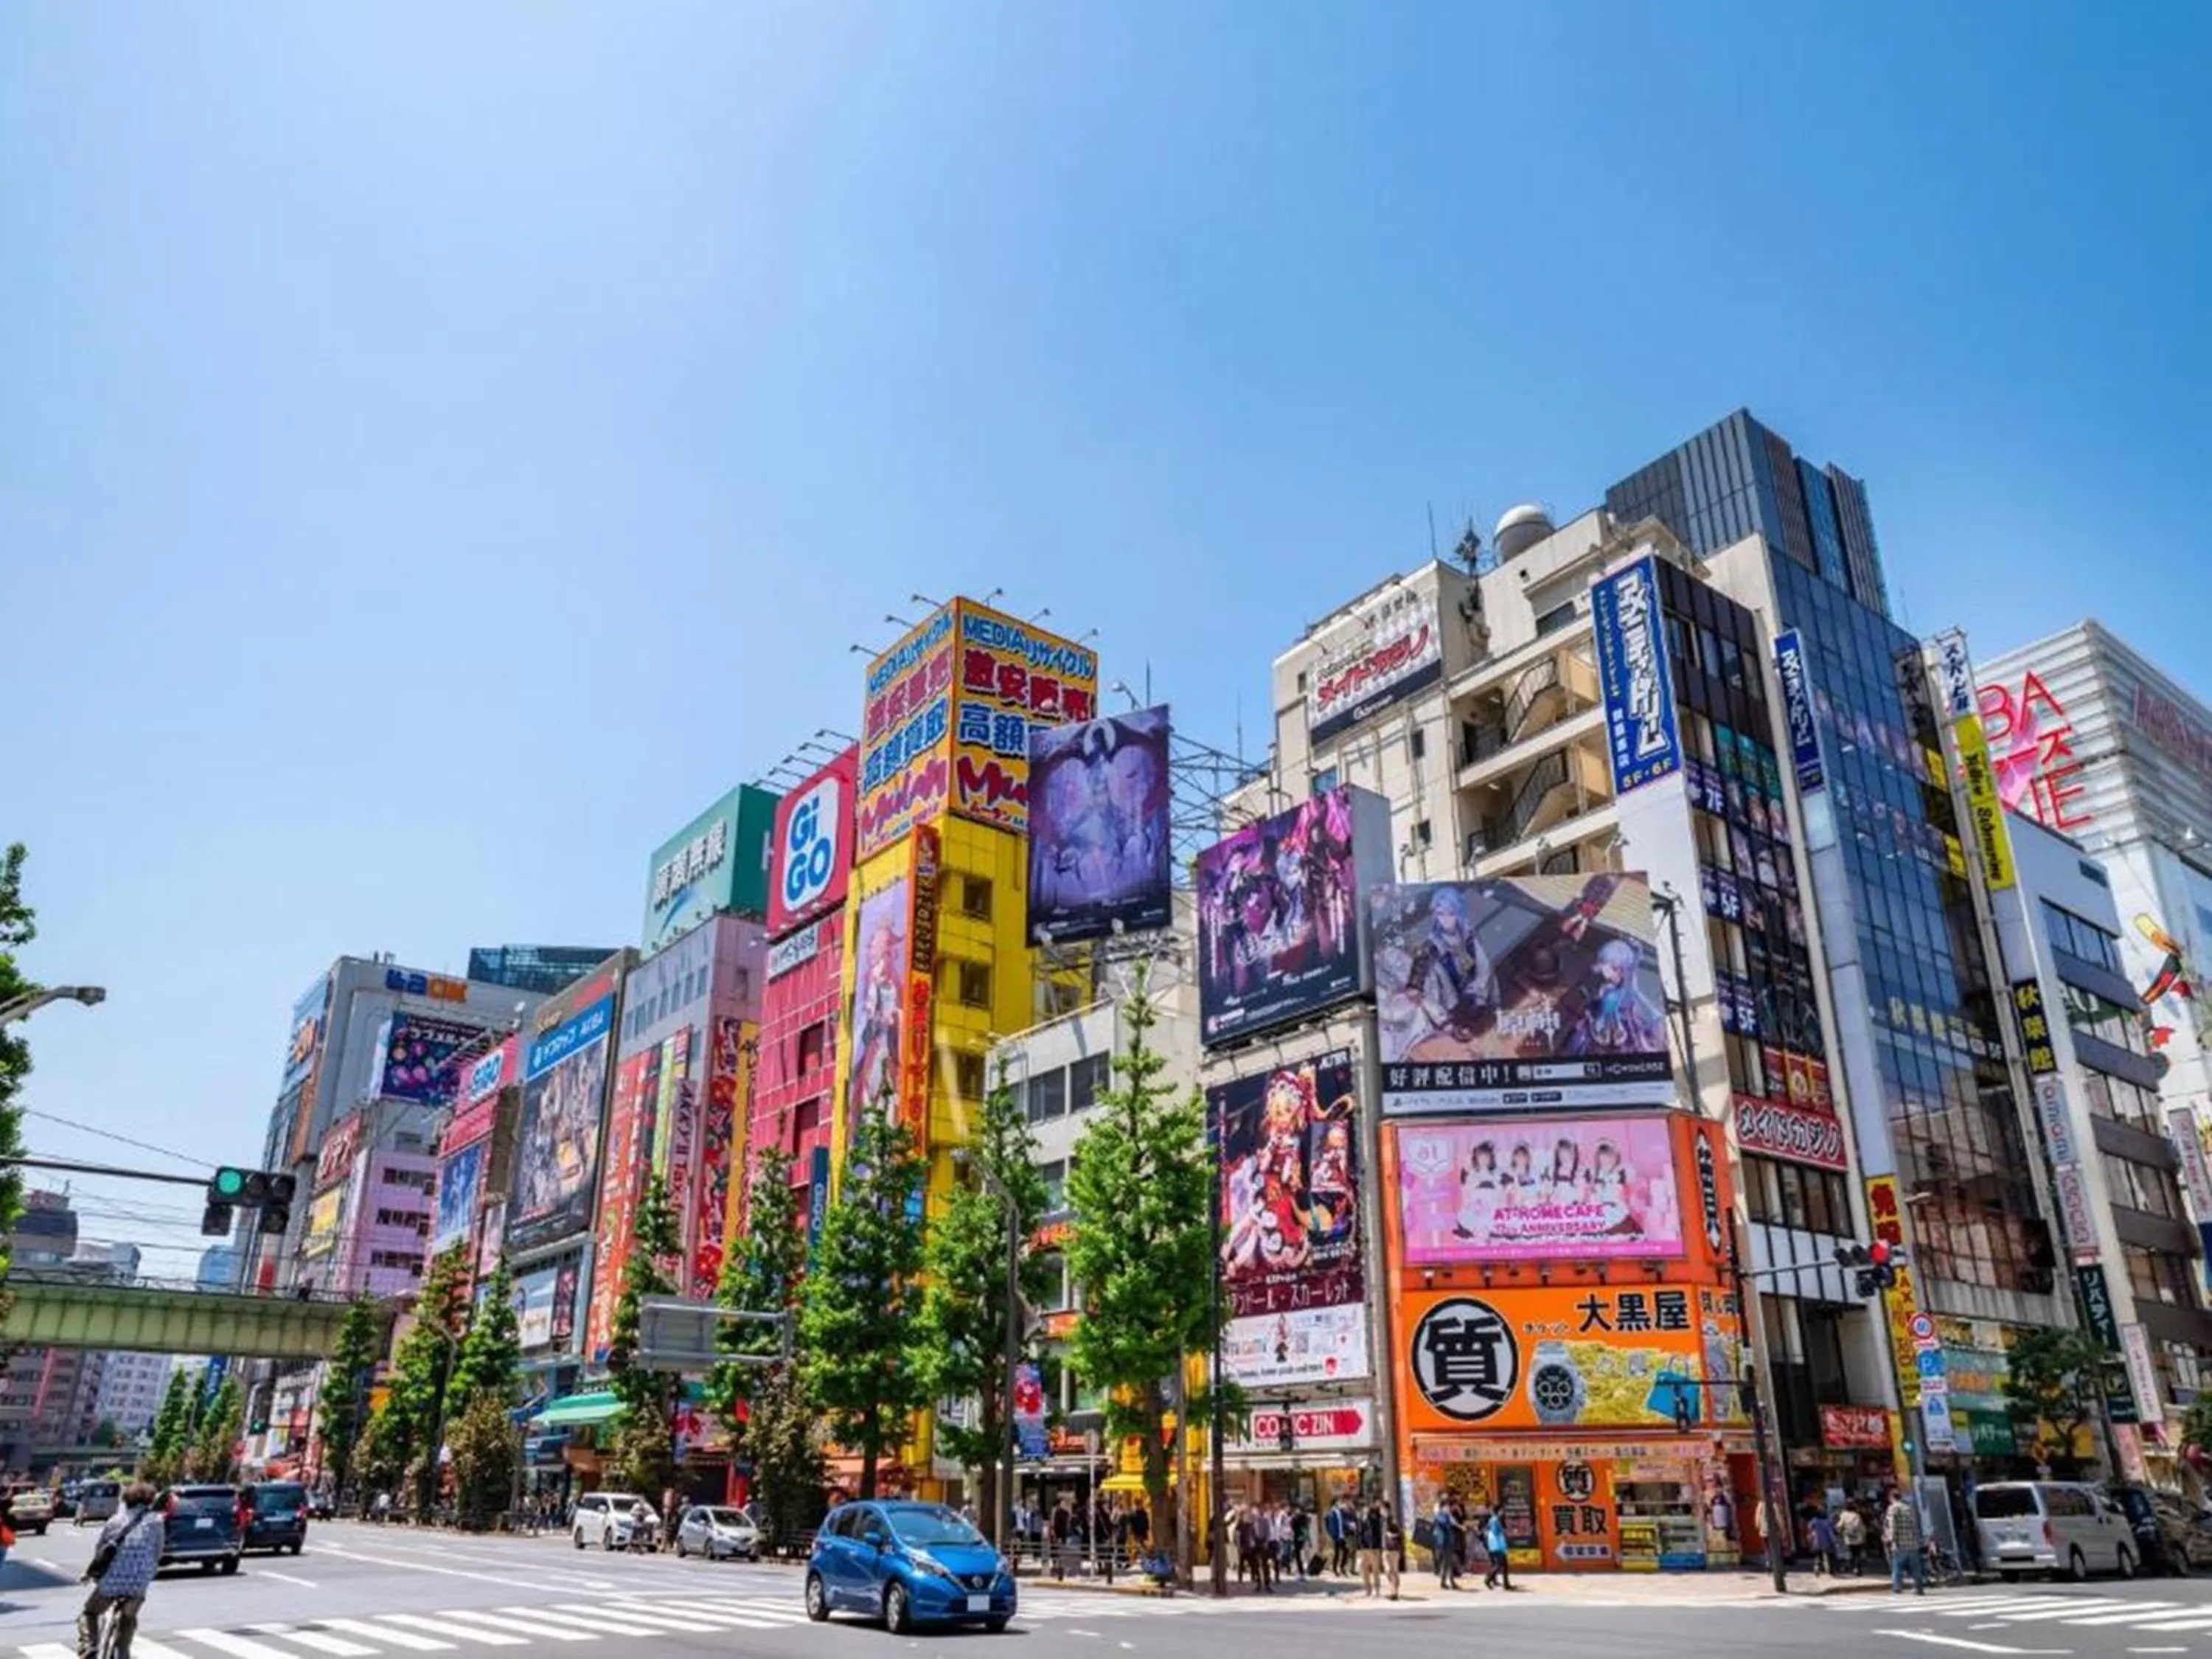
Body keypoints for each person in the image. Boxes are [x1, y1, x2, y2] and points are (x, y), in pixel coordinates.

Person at [79, 1481, 164, 1659]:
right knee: (129, 1617)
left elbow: (101, 1551)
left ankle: (90, 1645)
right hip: (138, 1584)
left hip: (111, 1583)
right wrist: (148, 1572)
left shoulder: (115, 1521)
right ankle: (123, 1652)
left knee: (90, 1612)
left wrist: (91, 1574)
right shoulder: (157, 1522)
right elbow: (158, 1552)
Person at [1883, 1486, 1927, 1596]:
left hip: (1899, 1544)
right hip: (1912, 1543)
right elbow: (1915, 1525)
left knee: (1897, 1568)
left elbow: (1892, 1525)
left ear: (1891, 1497)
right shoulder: (1908, 1508)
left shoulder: (1892, 1509)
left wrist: (1890, 1539)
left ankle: (1897, 1588)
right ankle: (1919, 1588)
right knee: (1915, 1568)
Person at [1355, 1501, 1384, 1596]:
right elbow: (1359, 1533)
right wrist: (1359, 1546)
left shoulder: (1376, 1519)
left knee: (1376, 1570)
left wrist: (1378, 1546)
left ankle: (1377, 1589)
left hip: (1374, 1548)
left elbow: (1378, 1533)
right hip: (1364, 1548)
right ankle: (1368, 1589)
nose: (1364, 1510)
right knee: (1364, 1569)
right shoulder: (1361, 1520)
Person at [1484, 1509, 1512, 1591]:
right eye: (1501, 1511)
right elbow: (1496, 1532)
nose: (1503, 1513)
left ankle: (1506, 1584)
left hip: (1497, 1546)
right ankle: (1488, 1579)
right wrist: (1504, 1531)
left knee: (1504, 1565)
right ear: (1498, 1511)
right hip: (1497, 1546)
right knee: (1498, 1565)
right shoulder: (1495, 1521)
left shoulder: (1493, 1520)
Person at [1837, 1502, 1867, 1576]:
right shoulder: (1857, 1516)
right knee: (1857, 1553)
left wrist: (1840, 1532)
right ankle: (1856, 1568)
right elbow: (1860, 1527)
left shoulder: (1843, 1515)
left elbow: (1839, 1526)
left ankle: (1850, 1567)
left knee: (1850, 1552)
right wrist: (1864, 1536)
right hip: (1857, 1537)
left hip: (1848, 1537)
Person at [1808, 1509, 1839, 1577]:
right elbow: (1833, 1531)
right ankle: (1831, 1570)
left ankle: (1817, 1567)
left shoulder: (1814, 1521)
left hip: (1817, 1541)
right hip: (1828, 1541)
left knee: (1819, 1556)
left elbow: (1809, 1527)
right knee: (1830, 1556)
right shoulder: (1828, 1522)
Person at [1325, 1496, 1350, 1576]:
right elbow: (1332, 1525)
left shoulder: (1339, 1511)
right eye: (1338, 1502)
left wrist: (1348, 1526)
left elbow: (1342, 1522)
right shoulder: (1332, 1512)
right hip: (1336, 1536)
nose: (1340, 1503)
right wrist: (1333, 1535)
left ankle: (1342, 1566)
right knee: (1337, 1553)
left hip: (1341, 1535)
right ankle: (1335, 1569)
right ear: (1335, 1502)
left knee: (1346, 1550)